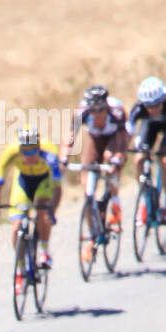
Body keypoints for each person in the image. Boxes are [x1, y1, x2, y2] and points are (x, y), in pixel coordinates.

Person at [60, 85, 128, 237]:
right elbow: (70, 136)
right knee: (87, 189)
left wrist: (118, 160)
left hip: (113, 140)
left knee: (109, 157)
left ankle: (115, 207)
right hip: (95, 140)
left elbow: (123, 144)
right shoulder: (81, 113)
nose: (97, 115)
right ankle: (94, 235)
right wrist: (64, 158)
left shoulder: (117, 112)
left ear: (106, 106)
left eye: (101, 111)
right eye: (93, 111)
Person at [0, 127, 61, 269]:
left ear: (38, 147)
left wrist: (51, 211)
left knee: (42, 212)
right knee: (16, 227)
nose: (29, 156)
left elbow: (57, 188)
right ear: (20, 149)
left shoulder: (50, 153)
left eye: (33, 151)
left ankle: (45, 250)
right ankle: (20, 269)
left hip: (44, 181)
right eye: (25, 152)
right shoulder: (10, 152)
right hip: (23, 182)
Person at [126, 76, 166, 186]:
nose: (153, 109)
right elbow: (129, 130)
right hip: (149, 126)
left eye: (157, 104)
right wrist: (123, 149)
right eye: (149, 106)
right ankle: (142, 192)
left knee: (164, 160)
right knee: (138, 159)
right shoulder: (138, 108)